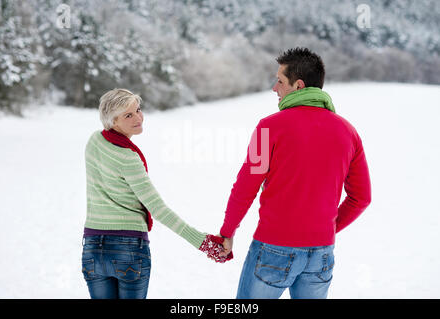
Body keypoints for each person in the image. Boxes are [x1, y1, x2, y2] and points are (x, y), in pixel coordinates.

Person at [218, 47, 372, 299]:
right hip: (321, 254)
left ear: (298, 85)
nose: (274, 88)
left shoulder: (267, 128)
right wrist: (326, 230)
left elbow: (246, 187)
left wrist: (227, 233)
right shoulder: (349, 132)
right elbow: (361, 198)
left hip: (272, 250)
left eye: (279, 81)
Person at [82, 88, 231, 299]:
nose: (139, 117)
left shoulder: (93, 142)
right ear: (112, 121)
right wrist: (203, 242)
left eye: (138, 110)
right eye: (128, 115)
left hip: (93, 248)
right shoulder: (128, 158)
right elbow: (158, 209)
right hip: (129, 248)